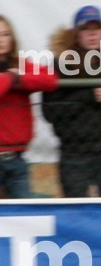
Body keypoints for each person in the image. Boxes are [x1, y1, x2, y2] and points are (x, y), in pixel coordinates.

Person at [42, 6, 101, 197]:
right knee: (77, 212)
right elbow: (50, 112)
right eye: (86, 29)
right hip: (72, 153)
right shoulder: (60, 66)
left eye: (97, 28)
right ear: (76, 34)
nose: (92, 34)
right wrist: (88, 96)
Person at [0, 15, 57, 198]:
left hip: (16, 158)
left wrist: (20, 78)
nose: (1, 40)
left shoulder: (20, 64)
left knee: (26, 215)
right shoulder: (16, 69)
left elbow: (49, 79)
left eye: (5, 34)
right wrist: (10, 78)